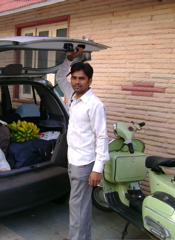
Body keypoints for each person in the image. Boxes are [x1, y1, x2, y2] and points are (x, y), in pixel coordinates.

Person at [56, 47, 109, 240]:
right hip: (73, 159)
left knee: (77, 206)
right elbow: (60, 77)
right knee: (79, 205)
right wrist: (69, 59)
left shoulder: (94, 105)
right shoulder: (72, 95)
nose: (77, 82)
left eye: (82, 79)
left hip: (84, 163)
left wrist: (98, 169)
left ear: (90, 81)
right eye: (75, 78)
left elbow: (101, 137)